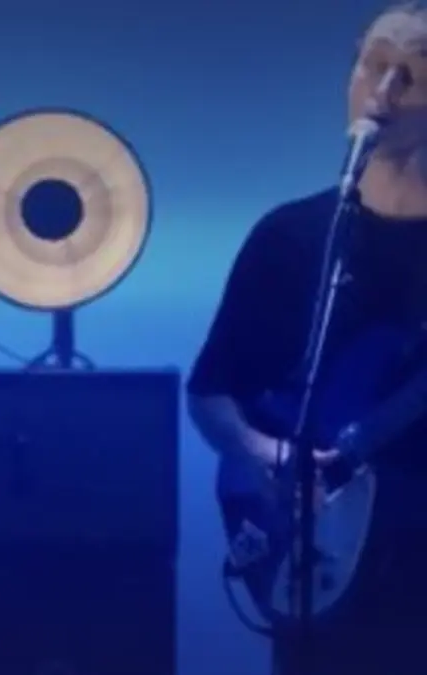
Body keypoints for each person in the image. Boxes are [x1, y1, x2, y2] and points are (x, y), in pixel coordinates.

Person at [187, 3, 427, 674]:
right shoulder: (288, 238)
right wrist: (261, 451)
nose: (384, 91)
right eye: (373, 65)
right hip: (319, 569)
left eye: (412, 73)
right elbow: (211, 391)